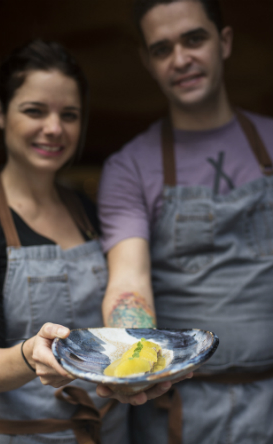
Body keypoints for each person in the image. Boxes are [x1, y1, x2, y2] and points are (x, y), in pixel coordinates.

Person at [97, 0, 273, 443]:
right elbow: (128, 282)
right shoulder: (129, 168)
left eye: (194, 39)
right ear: (148, 62)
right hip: (184, 413)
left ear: (225, 42)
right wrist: (135, 360)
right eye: (162, 49)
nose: (181, 59)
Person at [0, 39, 129, 444]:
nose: (54, 128)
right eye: (34, 110)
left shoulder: (87, 209)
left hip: (108, 429)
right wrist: (31, 354)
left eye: (69, 114)